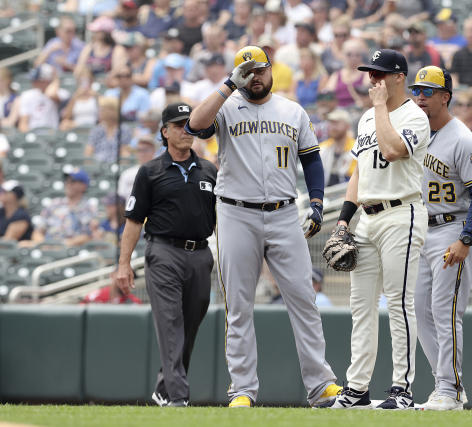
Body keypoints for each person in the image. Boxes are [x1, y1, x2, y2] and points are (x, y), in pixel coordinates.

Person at [186, 45, 340, 408]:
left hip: (285, 212)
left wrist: (317, 203)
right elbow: (195, 125)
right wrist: (227, 85)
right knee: (238, 305)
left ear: (272, 70)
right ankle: (242, 389)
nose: (255, 76)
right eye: (247, 71)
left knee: (304, 299)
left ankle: (321, 386)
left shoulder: (292, 110)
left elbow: (312, 161)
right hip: (236, 212)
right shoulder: (225, 107)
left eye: (260, 69)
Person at [329, 49, 429, 410]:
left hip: (401, 213)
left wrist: (380, 108)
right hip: (368, 218)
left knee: (400, 303)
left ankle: (401, 390)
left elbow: (392, 150)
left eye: (380, 74)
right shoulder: (368, 117)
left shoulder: (415, 117)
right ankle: (356, 390)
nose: (373, 80)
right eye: (371, 73)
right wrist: (344, 218)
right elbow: (360, 171)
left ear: (399, 77)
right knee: (361, 307)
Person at [114, 102, 217, 407]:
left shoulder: (209, 170)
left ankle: (164, 385)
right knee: (170, 323)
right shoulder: (149, 172)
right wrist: (123, 264)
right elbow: (133, 221)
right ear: (165, 131)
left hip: (200, 254)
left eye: (190, 125)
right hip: (163, 252)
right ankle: (177, 397)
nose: (187, 131)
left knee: (189, 325)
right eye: (179, 125)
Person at [409, 66, 472, 411]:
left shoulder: (462, 138)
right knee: (420, 310)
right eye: (417, 91)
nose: (421, 97)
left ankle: (449, 389)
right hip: (423, 229)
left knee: (445, 311)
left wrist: (466, 238)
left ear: (446, 97)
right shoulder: (415, 132)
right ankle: (445, 384)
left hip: (453, 228)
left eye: (428, 92)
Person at [28, 169, 95, 247]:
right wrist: (43, 244)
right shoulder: (54, 204)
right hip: (47, 246)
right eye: (67, 181)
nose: (68, 184)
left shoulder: (88, 208)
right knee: (22, 245)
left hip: (71, 250)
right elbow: (37, 232)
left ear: (83, 186)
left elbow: (87, 236)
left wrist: (62, 246)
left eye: (72, 181)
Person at [18, 64, 69, 132]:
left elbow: (51, 94)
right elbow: (23, 122)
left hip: (52, 133)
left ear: (46, 80)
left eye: (37, 80)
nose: (33, 83)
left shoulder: (62, 93)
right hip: (33, 132)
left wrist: (55, 79)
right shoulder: (27, 95)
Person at [323, 38, 368, 108]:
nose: (353, 58)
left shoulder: (367, 73)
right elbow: (328, 94)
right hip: (338, 111)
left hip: (358, 110)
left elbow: (366, 98)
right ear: (343, 55)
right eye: (349, 54)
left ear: (361, 56)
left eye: (357, 55)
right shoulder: (336, 75)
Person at [86, 96, 132, 163]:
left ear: (113, 111)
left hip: (116, 165)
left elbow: (124, 153)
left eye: (103, 109)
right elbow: (88, 152)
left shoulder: (124, 129)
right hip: (97, 166)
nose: (100, 112)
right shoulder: (96, 130)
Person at [319, 109, 356, 186]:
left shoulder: (356, 148)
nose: (332, 127)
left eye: (336, 123)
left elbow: (353, 178)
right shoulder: (323, 147)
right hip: (325, 193)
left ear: (347, 126)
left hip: (346, 192)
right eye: (330, 123)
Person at [118, 134, 158, 199]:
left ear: (153, 151)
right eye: (139, 150)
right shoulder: (127, 174)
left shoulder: (162, 172)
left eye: (145, 150)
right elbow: (121, 198)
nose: (142, 154)